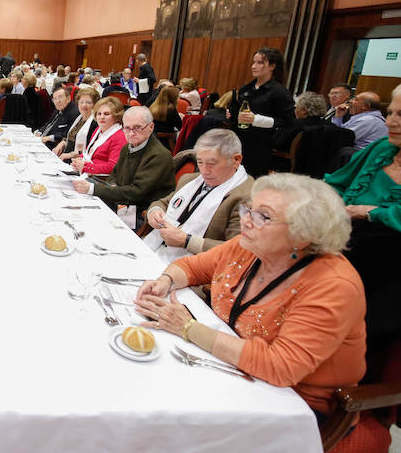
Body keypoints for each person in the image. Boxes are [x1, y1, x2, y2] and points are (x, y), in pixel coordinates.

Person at [135, 174, 365, 417]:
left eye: (263, 217)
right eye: (249, 210)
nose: (246, 221)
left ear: (304, 235)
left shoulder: (333, 286)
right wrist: (166, 281)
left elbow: (281, 366)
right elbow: (193, 267)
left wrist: (189, 328)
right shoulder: (249, 245)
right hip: (229, 367)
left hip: (293, 404)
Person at [324, 83, 401, 378]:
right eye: (390, 112)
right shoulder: (381, 148)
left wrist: (370, 212)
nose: (390, 122)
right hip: (343, 242)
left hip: (388, 267)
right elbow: (336, 183)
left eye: (400, 115)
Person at [144, 129, 253, 261]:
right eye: (200, 162)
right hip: (155, 248)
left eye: (212, 163)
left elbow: (238, 250)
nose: (204, 171)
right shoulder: (190, 180)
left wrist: (187, 241)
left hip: (197, 265)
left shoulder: (247, 197)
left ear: (236, 160)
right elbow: (164, 202)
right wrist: (155, 212)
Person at [73, 106, 175, 220]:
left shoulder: (159, 156)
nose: (131, 133)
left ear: (151, 127)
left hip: (141, 214)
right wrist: (112, 186)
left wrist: (93, 189)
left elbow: (136, 192)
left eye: (137, 128)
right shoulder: (127, 147)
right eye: (127, 128)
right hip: (122, 203)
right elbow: (114, 174)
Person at [229, 47, 295, 177]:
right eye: (254, 62)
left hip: (260, 145)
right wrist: (232, 115)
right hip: (239, 141)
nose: (254, 66)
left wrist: (257, 120)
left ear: (272, 66)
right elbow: (237, 115)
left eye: (260, 63)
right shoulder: (246, 88)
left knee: (251, 179)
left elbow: (288, 122)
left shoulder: (280, 92)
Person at [71, 97, 127, 177]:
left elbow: (113, 167)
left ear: (116, 116)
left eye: (106, 114)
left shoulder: (120, 137)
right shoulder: (98, 130)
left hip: (100, 179)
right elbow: (88, 151)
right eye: (99, 114)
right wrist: (79, 160)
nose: (101, 117)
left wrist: (86, 167)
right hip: (88, 173)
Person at [54, 87, 99, 161]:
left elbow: (90, 149)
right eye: (81, 102)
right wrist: (61, 144)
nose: (84, 105)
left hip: (77, 161)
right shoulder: (79, 118)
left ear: (95, 105)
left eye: (88, 102)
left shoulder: (95, 123)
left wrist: (69, 155)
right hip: (65, 157)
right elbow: (69, 136)